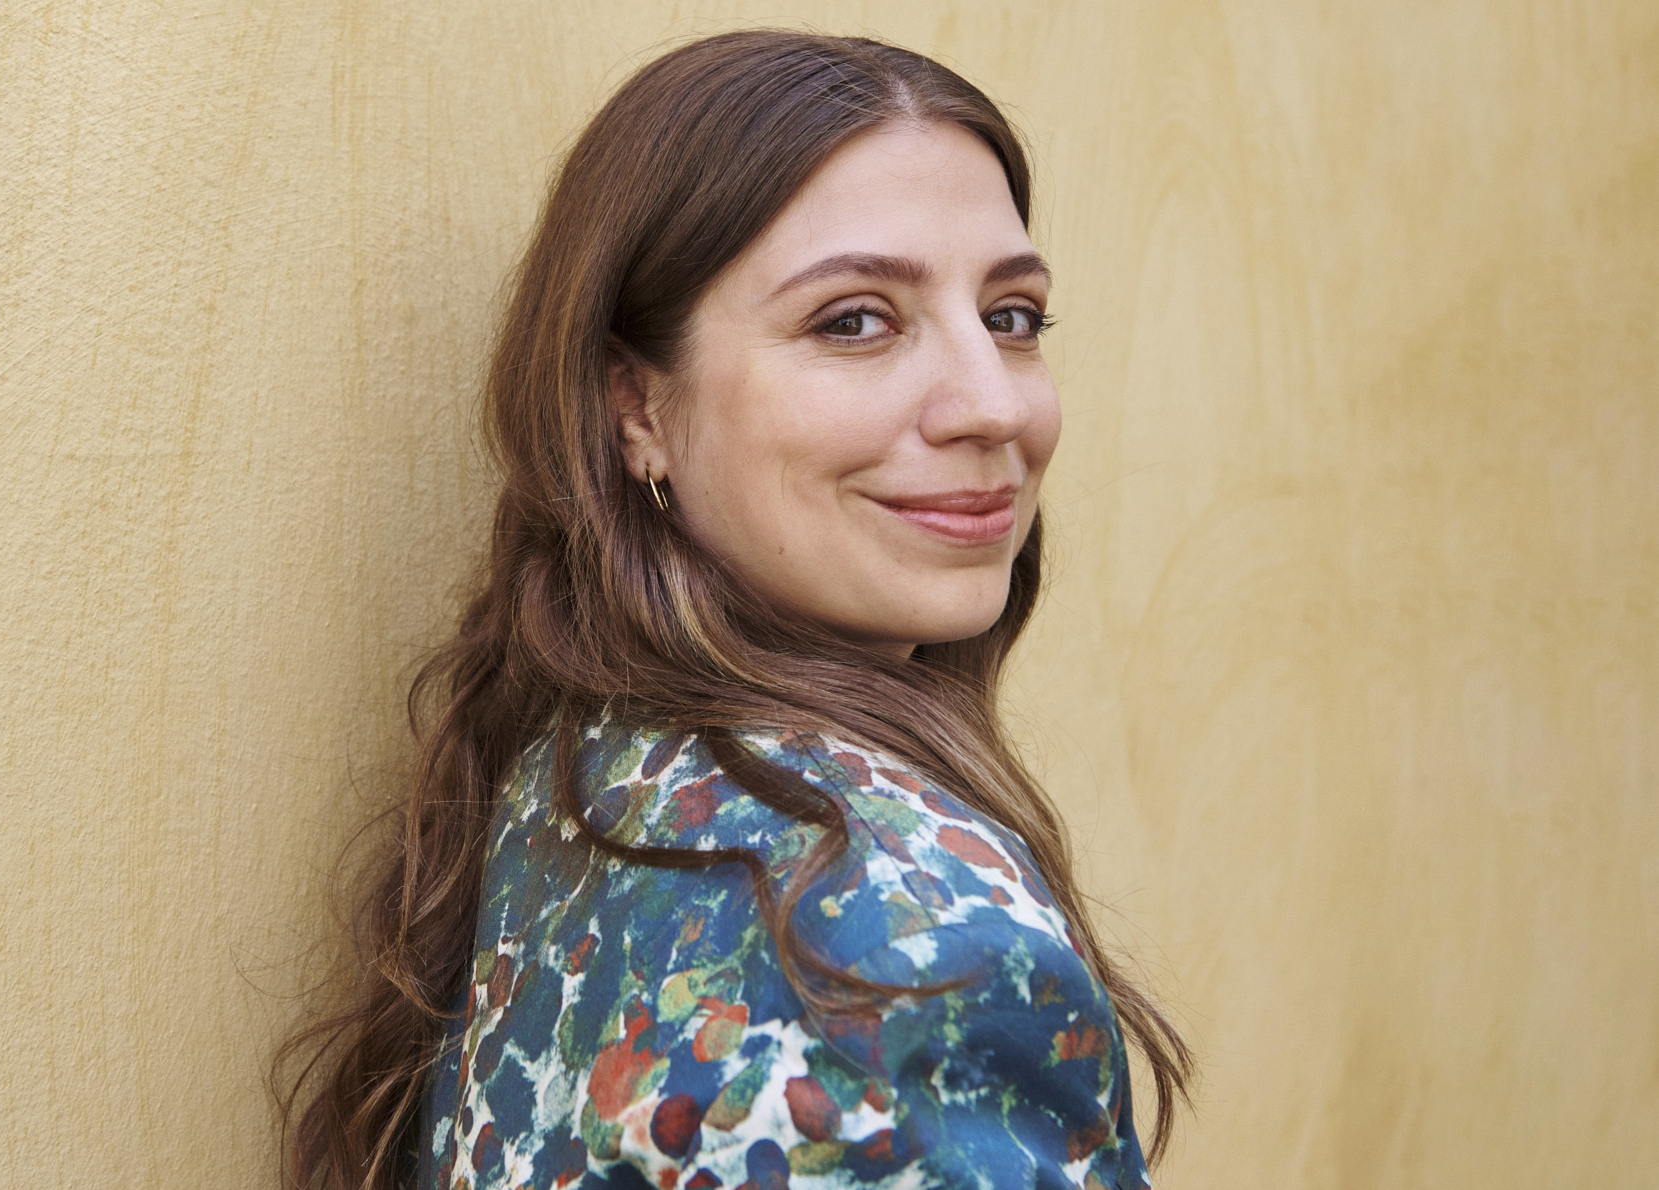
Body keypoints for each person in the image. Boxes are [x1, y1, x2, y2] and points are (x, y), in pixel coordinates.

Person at [279, 30, 1191, 1190]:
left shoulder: (592, 772)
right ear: (636, 409)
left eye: (1012, 317)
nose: (989, 404)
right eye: (853, 320)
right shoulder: (902, 955)